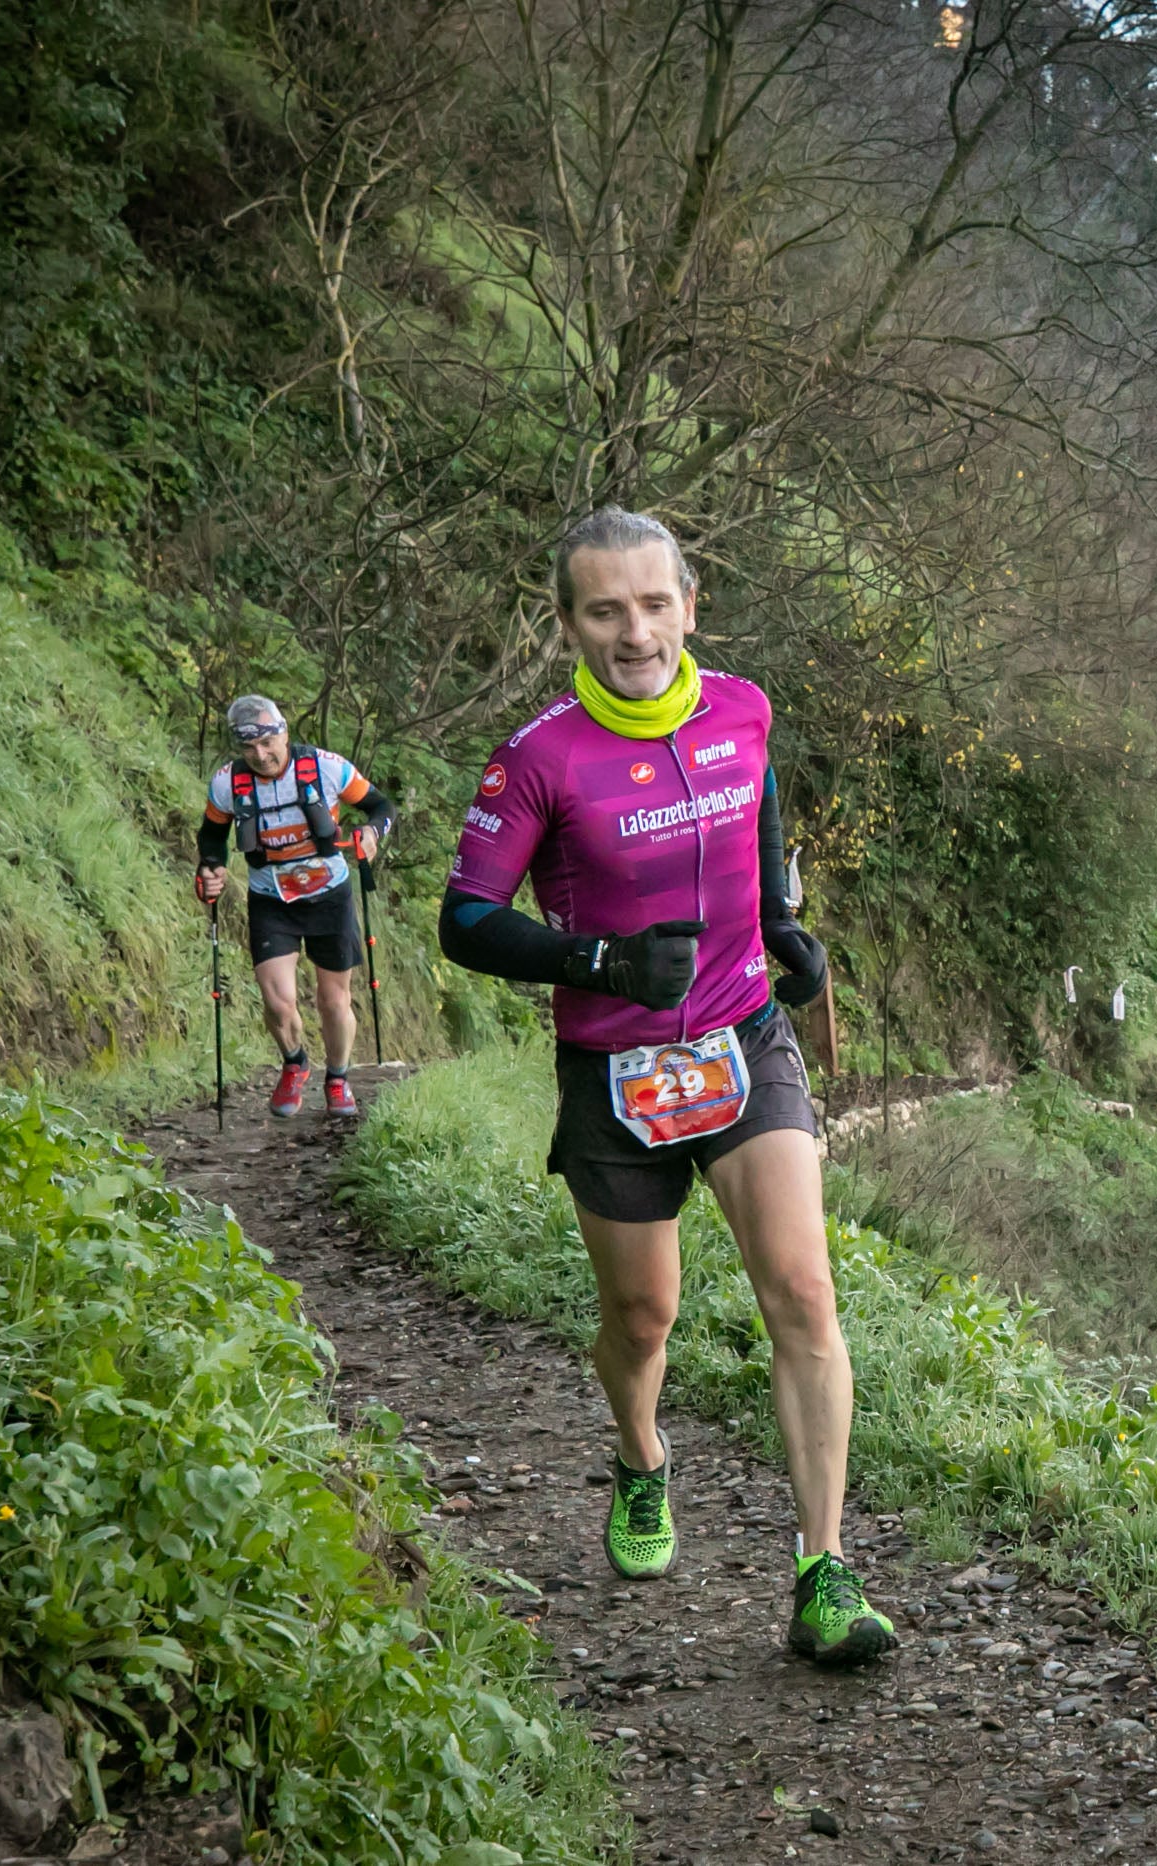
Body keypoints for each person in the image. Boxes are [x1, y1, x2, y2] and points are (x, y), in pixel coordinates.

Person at [435, 505, 894, 1667]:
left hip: (742, 1035)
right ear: (567, 623)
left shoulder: (742, 707)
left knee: (802, 1289)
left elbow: (761, 796)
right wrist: (596, 961)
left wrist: (781, 919)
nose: (634, 632)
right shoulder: (536, 761)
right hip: (614, 1068)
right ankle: (641, 1459)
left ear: (690, 606)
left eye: (653, 604)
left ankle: (824, 1573)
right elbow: (466, 920)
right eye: (604, 610)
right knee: (644, 1319)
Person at [196, 697, 395, 1117]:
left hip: (330, 893)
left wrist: (373, 833)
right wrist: (211, 867)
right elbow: (211, 836)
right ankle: (295, 1062)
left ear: (284, 732)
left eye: (268, 743)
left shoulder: (326, 767)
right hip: (271, 898)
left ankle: (338, 1077)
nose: (261, 756)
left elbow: (381, 806)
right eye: (249, 748)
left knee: (333, 1000)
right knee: (277, 1000)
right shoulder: (227, 783)